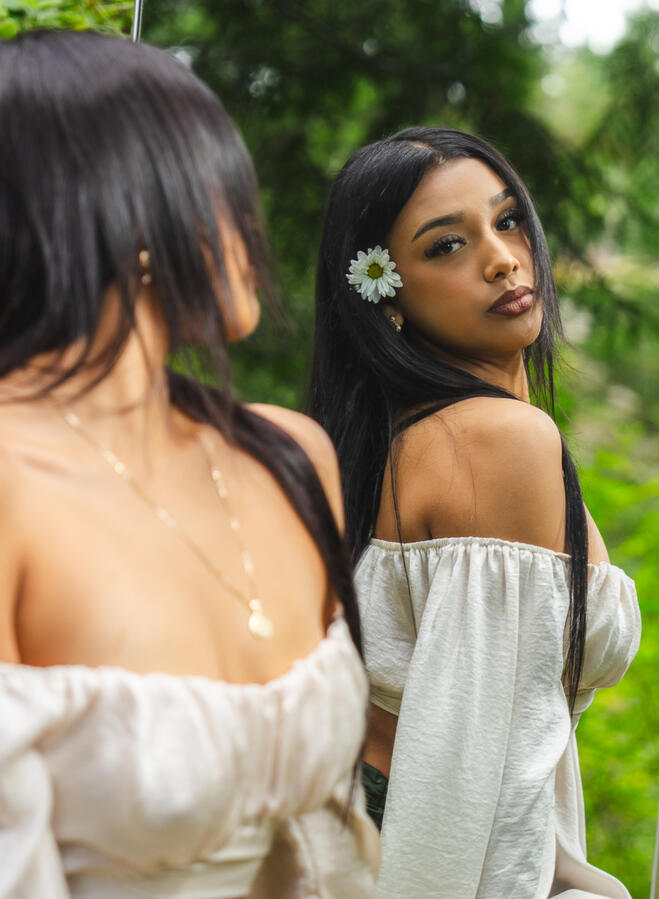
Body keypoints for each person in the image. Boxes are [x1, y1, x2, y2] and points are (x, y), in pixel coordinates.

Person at [0, 30, 377, 898]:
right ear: (130, 209)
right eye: (223, 188)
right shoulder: (13, 494)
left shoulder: (287, 454)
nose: (253, 229)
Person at [308, 126, 641, 898]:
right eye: (447, 246)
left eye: (508, 219)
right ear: (384, 291)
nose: (501, 258)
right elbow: (474, 771)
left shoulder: (409, 437)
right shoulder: (493, 441)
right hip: (424, 849)